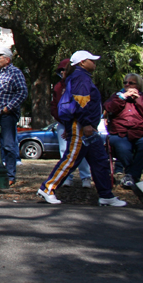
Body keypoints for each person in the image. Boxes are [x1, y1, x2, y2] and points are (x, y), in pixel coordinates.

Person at [37, 51, 125, 206]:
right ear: (83, 62)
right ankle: (47, 188)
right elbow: (81, 103)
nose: (95, 63)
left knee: (99, 160)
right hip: (82, 125)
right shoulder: (81, 77)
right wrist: (86, 124)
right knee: (71, 159)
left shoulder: (79, 77)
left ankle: (106, 195)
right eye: (92, 60)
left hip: (84, 125)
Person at [104, 73, 143, 188]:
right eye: (125, 82)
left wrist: (139, 100)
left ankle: (131, 175)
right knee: (122, 147)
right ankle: (132, 174)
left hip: (141, 133)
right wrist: (123, 97)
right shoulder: (117, 96)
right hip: (120, 132)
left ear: (138, 85)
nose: (127, 85)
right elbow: (109, 108)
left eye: (131, 83)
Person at [51, 59, 92, 188]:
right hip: (63, 122)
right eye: (60, 70)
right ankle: (67, 177)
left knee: (81, 151)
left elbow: (82, 104)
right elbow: (54, 105)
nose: (62, 72)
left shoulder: (78, 82)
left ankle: (85, 177)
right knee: (65, 151)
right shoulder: (58, 86)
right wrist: (62, 121)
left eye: (64, 70)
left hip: (77, 122)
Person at [0, 46, 28, 186]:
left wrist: (9, 107)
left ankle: (10, 175)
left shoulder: (15, 72)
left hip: (7, 115)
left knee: (8, 145)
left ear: (7, 59)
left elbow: (22, 92)